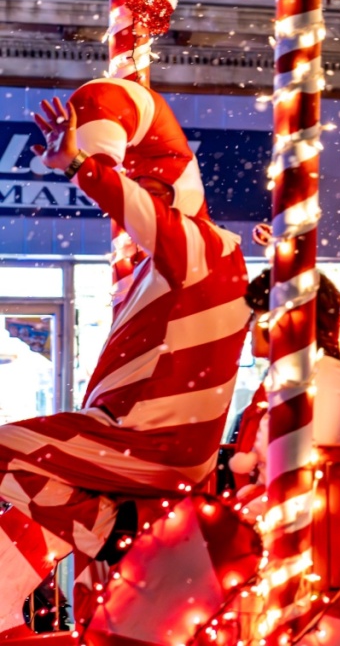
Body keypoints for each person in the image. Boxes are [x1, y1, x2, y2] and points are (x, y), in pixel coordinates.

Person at [0, 79, 249, 633]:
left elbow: (138, 207)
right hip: (129, 438)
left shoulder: (208, 247)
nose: (142, 203)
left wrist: (80, 164)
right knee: (77, 550)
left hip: (150, 444)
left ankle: (98, 544)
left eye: (153, 191)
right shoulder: (153, 270)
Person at [227, 269, 340, 492]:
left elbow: (303, 473)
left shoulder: (322, 373)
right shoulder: (290, 376)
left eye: (256, 314)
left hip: (319, 520)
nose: (249, 325)